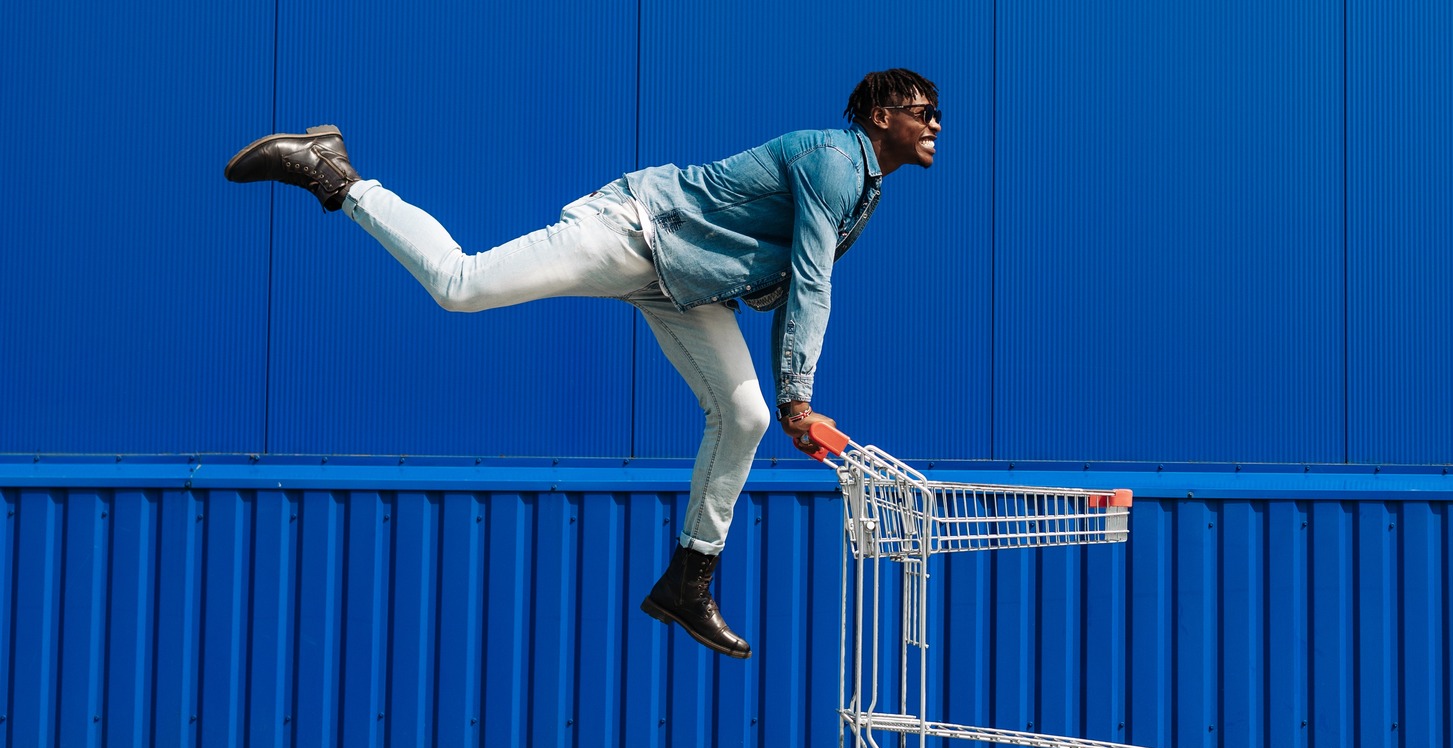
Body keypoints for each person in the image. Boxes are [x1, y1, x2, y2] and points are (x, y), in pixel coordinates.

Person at [225, 68, 941, 660]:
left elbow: (793, 284)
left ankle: (690, 580)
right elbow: (814, 281)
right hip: (635, 230)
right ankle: (337, 175)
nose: (936, 123)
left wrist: (788, 402)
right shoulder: (834, 161)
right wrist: (800, 396)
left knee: (744, 415)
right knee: (461, 285)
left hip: (685, 282)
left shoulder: (864, 187)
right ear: (881, 115)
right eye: (924, 111)